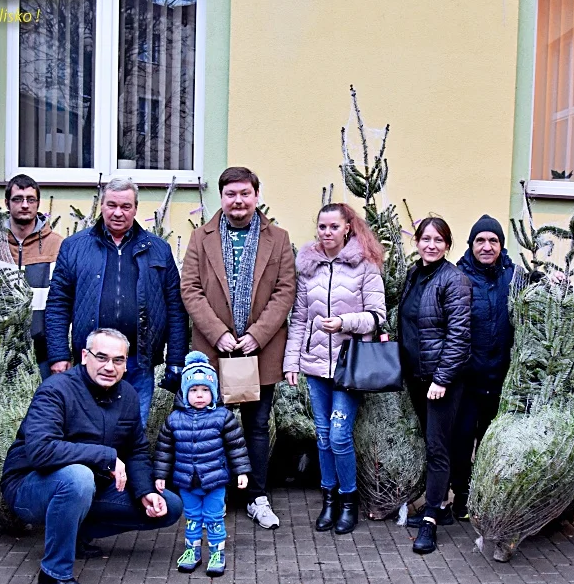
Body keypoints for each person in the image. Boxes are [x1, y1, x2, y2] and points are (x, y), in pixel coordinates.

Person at [1, 328, 183, 584]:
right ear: (85, 356)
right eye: (102, 357)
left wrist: (146, 491)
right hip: (30, 486)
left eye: (118, 360)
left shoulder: (129, 395)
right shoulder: (56, 389)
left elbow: (135, 450)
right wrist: (104, 456)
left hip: (90, 485)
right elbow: (40, 451)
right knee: (78, 477)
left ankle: (74, 535)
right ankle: (53, 575)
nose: (110, 367)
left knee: (169, 506)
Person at [181, 167, 296, 530]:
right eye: (231, 194)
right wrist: (218, 334)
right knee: (211, 424)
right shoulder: (202, 238)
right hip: (215, 350)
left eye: (245, 193)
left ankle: (256, 496)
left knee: (257, 426)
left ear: (256, 195)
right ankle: (215, 491)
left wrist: (257, 335)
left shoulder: (278, 238)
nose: (238, 201)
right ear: (222, 197)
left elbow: (284, 291)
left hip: (259, 351)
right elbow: (191, 290)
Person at [45, 178, 187, 427]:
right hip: (92, 361)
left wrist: (176, 359)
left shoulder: (159, 250)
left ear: (135, 208)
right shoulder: (74, 247)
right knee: (88, 429)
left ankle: (129, 468)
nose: (118, 212)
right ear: (102, 205)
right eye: (111, 205)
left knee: (134, 431)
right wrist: (58, 354)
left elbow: (176, 308)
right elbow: (58, 304)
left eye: (125, 206)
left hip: (139, 362)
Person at [283, 203, 386, 535]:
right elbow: (298, 320)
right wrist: (292, 362)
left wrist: (344, 322)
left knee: (340, 436)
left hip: (349, 366)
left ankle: (348, 500)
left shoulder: (364, 265)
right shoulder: (308, 268)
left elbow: (377, 316)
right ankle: (328, 500)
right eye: (321, 226)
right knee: (324, 437)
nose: (326, 232)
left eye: (333, 226)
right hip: (315, 366)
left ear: (347, 228)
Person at [398, 217, 471, 555]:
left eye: (438, 240)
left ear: (447, 245)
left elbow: (459, 336)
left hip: (440, 381)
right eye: (425, 238)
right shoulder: (415, 275)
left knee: (438, 447)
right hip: (416, 376)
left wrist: (442, 378)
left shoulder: (453, 280)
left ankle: (429, 519)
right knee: (431, 443)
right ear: (417, 242)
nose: (431, 245)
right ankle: (440, 507)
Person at [153, 351, 251, 576]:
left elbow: (236, 446)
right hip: (186, 479)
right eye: (194, 390)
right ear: (184, 392)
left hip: (214, 479)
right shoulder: (174, 419)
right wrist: (160, 475)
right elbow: (164, 450)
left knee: (214, 517)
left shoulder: (223, 417)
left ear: (214, 392)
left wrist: (242, 472)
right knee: (192, 517)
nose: (199, 395)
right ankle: (192, 550)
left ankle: (217, 552)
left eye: (205, 390)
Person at [452, 215, 514, 522]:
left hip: (502, 378)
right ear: (471, 244)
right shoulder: (457, 276)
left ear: (501, 246)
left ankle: (487, 496)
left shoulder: (514, 277)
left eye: (493, 241)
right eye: (480, 240)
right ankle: (461, 495)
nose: (487, 246)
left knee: (492, 442)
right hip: (467, 379)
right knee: (462, 440)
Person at [4, 174, 63, 380]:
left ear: (38, 204)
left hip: (44, 352)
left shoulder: (57, 245)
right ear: (7, 203)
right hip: (1, 353)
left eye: (31, 199)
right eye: (18, 199)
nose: (25, 205)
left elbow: (64, 300)